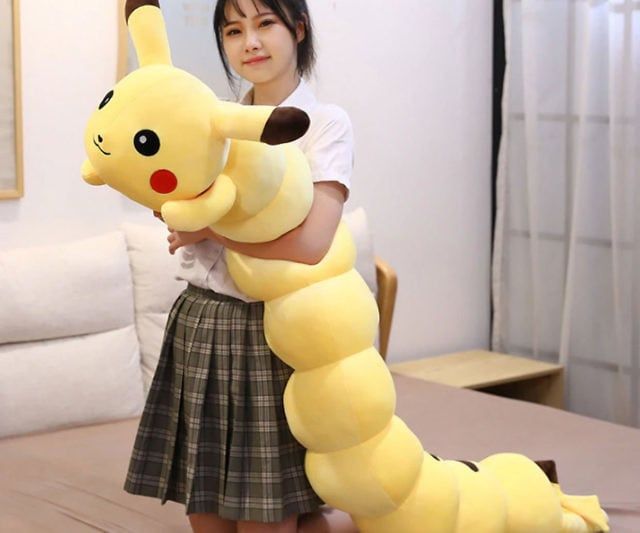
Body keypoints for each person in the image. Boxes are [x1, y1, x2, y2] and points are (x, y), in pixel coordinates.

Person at [123, 0, 354, 532]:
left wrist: (209, 229)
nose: (249, 42)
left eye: (264, 24)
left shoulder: (325, 124)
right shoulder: (212, 120)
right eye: (233, 30)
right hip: (198, 322)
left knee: (267, 518)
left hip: (275, 332)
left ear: (298, 30)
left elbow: (311, 243)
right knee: (204, 514)